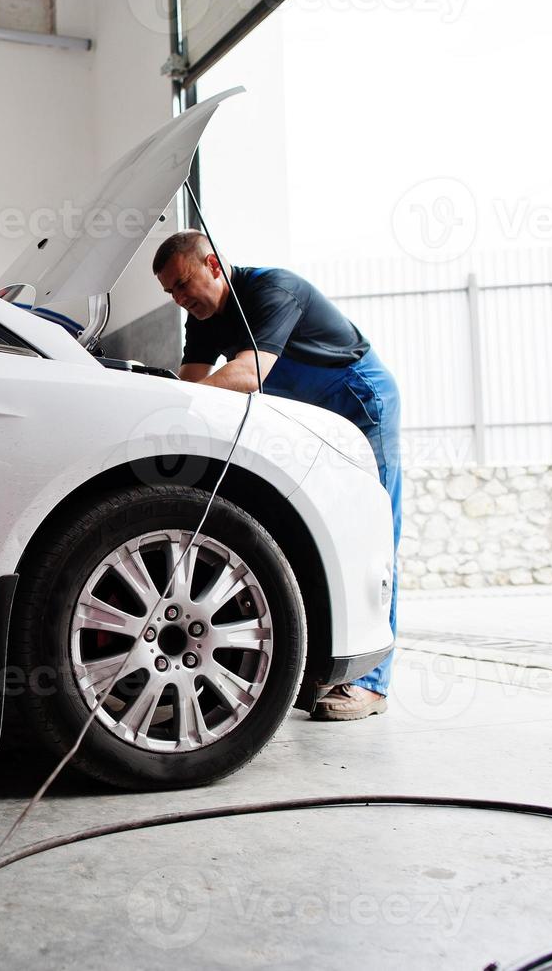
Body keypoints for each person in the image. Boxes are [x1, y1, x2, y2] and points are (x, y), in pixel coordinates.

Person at [152, 230, 402, 721]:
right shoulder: (201, 319)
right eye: (171, 293)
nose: (180, 299)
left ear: (213, 265)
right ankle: (320, 668)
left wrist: (174, 410)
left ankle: (371, 685)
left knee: (373, 537)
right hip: (306, 414)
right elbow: (189, 385)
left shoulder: (273, 291)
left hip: (359, 400)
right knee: (312, 531)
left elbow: (248, 375)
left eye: (183, 284)